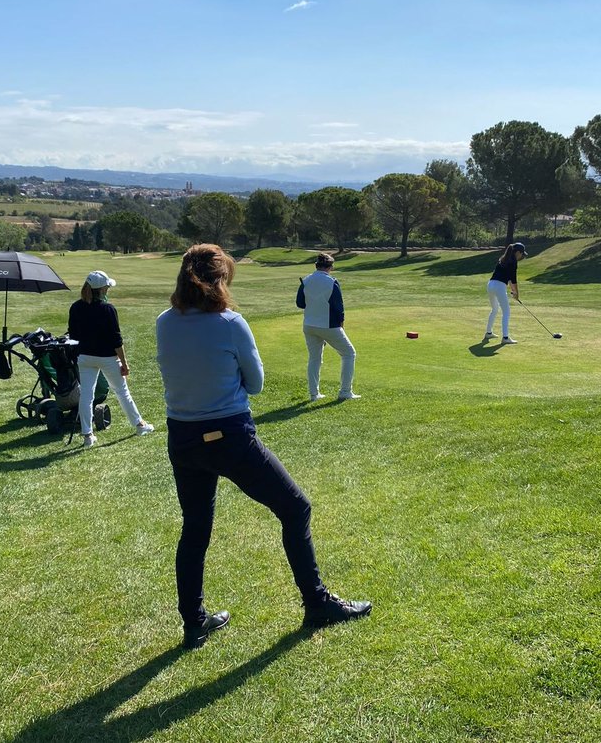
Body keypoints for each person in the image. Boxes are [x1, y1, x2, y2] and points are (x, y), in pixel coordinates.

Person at [155, 244, 372, 649]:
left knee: (196, 528)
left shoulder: (165, 322)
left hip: (182, 438)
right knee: (296, 508)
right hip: (229, 435)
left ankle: (193, 623)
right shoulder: (230, 323)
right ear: (222, 279)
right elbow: (254, 384)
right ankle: (317, 603)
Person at [67, 270, 154, 447]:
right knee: (122, 392)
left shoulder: (76, 307)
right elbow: (116, 340)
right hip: (107, 357)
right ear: (103, 289)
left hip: (85, 357)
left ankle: (87, 436)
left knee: (86, 395)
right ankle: (139, 425)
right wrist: (124, 363)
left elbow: (73, 335)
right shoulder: (108, 309)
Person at [296, 252, 359, 402]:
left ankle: (313, 394)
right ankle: (345, 391)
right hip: (328, 325)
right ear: (330, 267)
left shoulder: (306, 280)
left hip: (309, 325)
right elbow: (338, 308)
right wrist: (341, 325)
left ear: (316, 266)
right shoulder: (332, 282)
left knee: (314, 359)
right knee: (349, 353)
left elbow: (300, 303)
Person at [484, 242, 528, 344]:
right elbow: (513, 280)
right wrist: (517, 294)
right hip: (499, 286)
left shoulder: (503, 259)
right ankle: (505, 337)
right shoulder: (513, 262)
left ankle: (488, 333)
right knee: (506, 311)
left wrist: (514, 292)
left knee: (494, 309)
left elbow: (508, 279)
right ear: (517, 252)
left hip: (490, 285)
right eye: (521, 254)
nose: (521, 256)